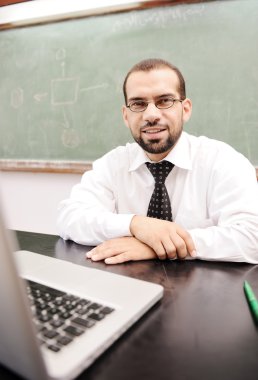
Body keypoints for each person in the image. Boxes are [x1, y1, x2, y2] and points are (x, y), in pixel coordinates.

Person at [57, 58, 258, 264]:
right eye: (138, 104)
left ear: (185, 109)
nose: (151, 115)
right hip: (129, 288)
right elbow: (69, 218)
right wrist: (136, 225)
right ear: (126, 116)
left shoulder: (222, 161)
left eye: (164, 101)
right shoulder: (112, 164)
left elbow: (252, 237)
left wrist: (157, 245)